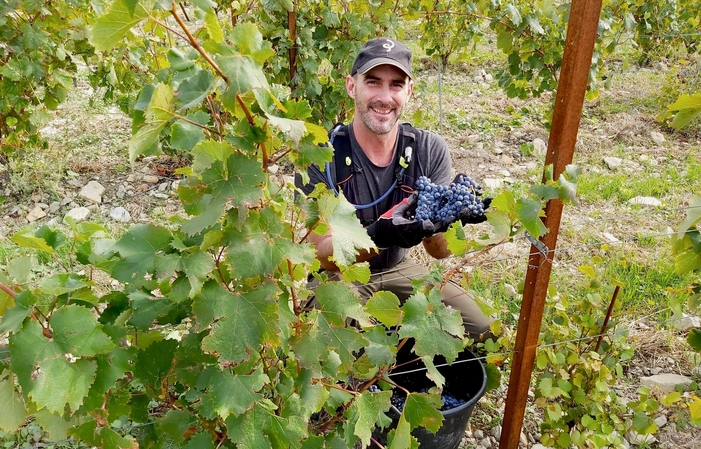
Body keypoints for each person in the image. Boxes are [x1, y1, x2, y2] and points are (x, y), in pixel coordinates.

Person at [295, 37, 493, 341]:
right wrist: (378, 235)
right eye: (373, 82)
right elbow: (321, 254)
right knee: (331, 344)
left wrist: (446, 222)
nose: (385, 97)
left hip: (400, 270)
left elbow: (440, 253)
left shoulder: (429, 149)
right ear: (352, 86)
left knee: (482, 330)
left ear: (409, 91)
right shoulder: (321, 154)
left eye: (396, 85)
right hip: (339, 276)